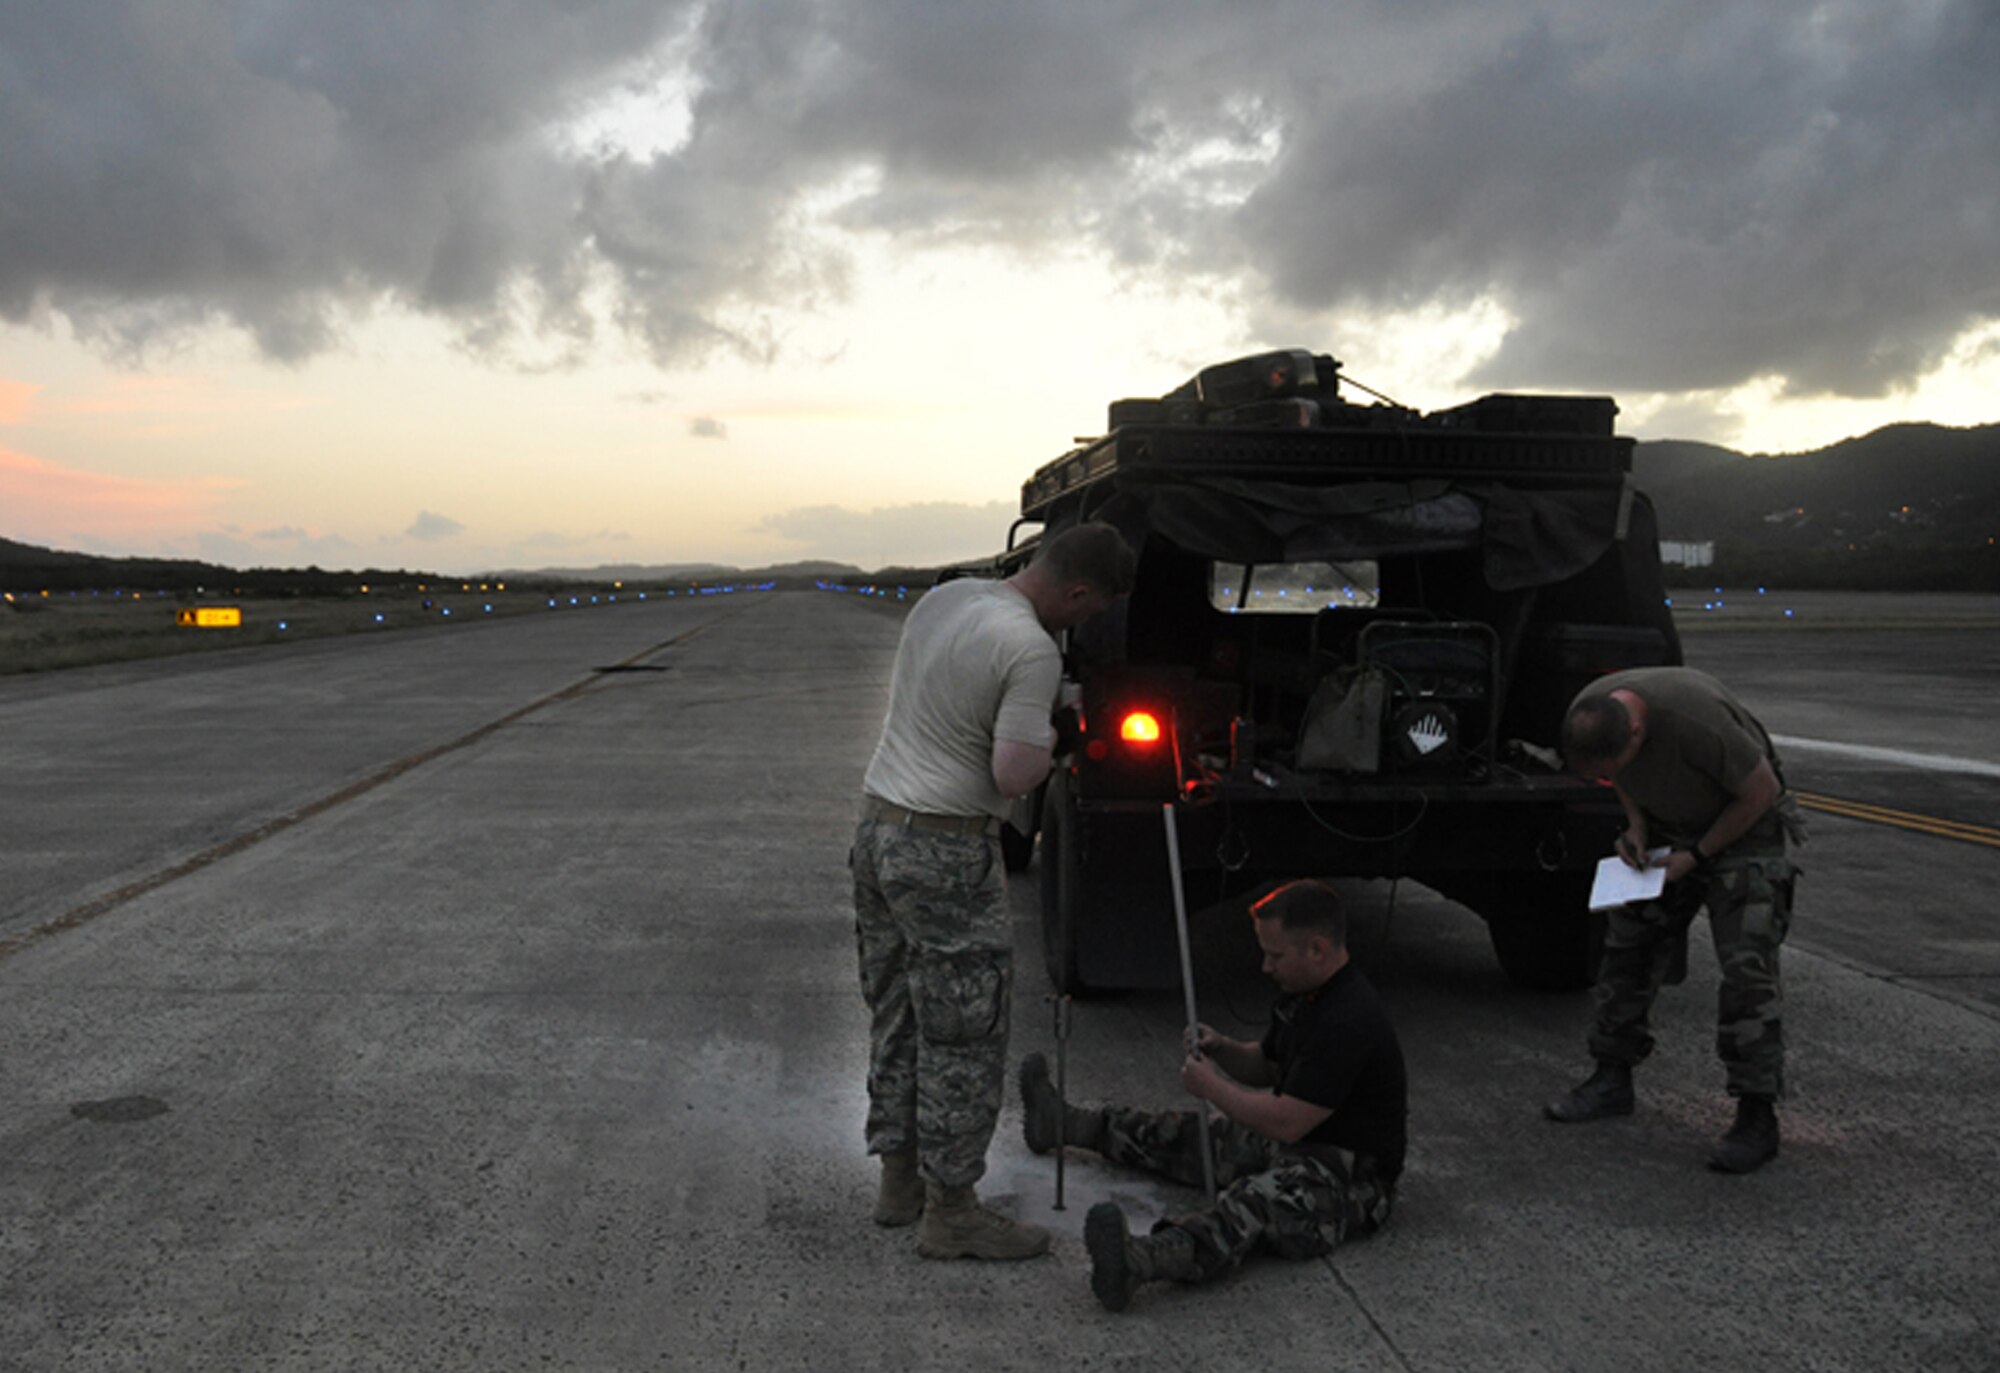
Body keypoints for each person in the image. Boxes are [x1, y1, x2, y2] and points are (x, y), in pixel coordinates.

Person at [852, 521, 1135, 1261]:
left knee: (899, 1011)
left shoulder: (946, 601)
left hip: (879, 829)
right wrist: (1061, 739)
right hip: (946, 847)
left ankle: (899, 1181)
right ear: (1076, 590)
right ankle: (952, 1212)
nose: (1086, 623)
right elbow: (1013, 775)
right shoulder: (1031, 649)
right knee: (965, 1034)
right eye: (1092, 608)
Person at [1019, 880, 1407, 1310]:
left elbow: (1286, 1119)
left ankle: (1142, 1261)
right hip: (1298, 1142)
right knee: (1189, 1136)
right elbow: (1267, 1065)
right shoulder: (1305, 997)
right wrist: (1223, 1049)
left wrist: (1214, 1088)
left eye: (1275, 955)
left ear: (1316, 949)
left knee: (1251, 1206)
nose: (1265, 966)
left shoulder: (1350, 1018)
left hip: (1348, 1177)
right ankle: (1069, 1125)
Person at [1545, 665, 1804, 1174]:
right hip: (1671, 825)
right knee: (1628, 945)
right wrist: (1637, 827)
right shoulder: (1593, 711)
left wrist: (1699, 855)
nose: (1611, 775)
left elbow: (1761, 791)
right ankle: (1611, 1077)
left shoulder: (1697, 721)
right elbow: (1618, 775)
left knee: (1746, 968)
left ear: (1636, 731)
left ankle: (1757, 1115)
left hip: (1745, 826)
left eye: (1618, 762)